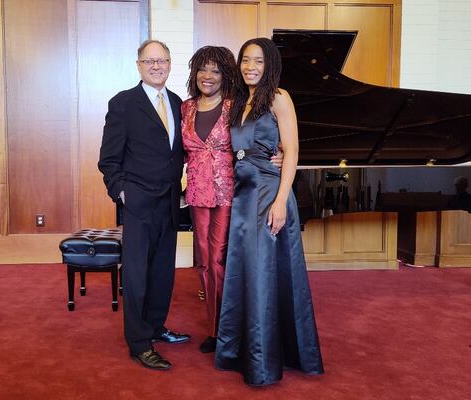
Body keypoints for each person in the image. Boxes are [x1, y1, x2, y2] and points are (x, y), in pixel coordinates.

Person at [214, 38, 324, 386]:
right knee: (246, 272)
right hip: (243, 195)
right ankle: (244, 350)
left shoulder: (279, 97)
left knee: (262, 272)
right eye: (246, 60)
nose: (250, 67)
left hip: (268, 193)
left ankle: (263, 364)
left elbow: (291, 152)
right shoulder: (239, 102)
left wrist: (280, 201)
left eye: (258, 61)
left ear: (270, 65)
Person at [98, 39, 190, 371]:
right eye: (149, 61)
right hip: (137, 202)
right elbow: (108, 160)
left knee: (163, 272)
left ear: (169, 64)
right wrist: (122, 192)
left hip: (169, 202)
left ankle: (154, 327)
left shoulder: (179, 103)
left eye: (162, 60)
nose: (156, 66)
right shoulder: (123, 103)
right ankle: (138, 343)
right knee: (136, 275)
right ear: (139, 65)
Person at [181, 46, 237, 354]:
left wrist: (279, 153)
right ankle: (214, 330)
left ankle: (227, 330)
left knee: (220, 262)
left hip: (229, 195)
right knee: (203, 262)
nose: (208, 75)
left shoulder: (236, 106)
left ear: (225, 75)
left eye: (215, 70)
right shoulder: (186, 108)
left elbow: (259, 138)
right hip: (197, 195)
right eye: (203, 69)